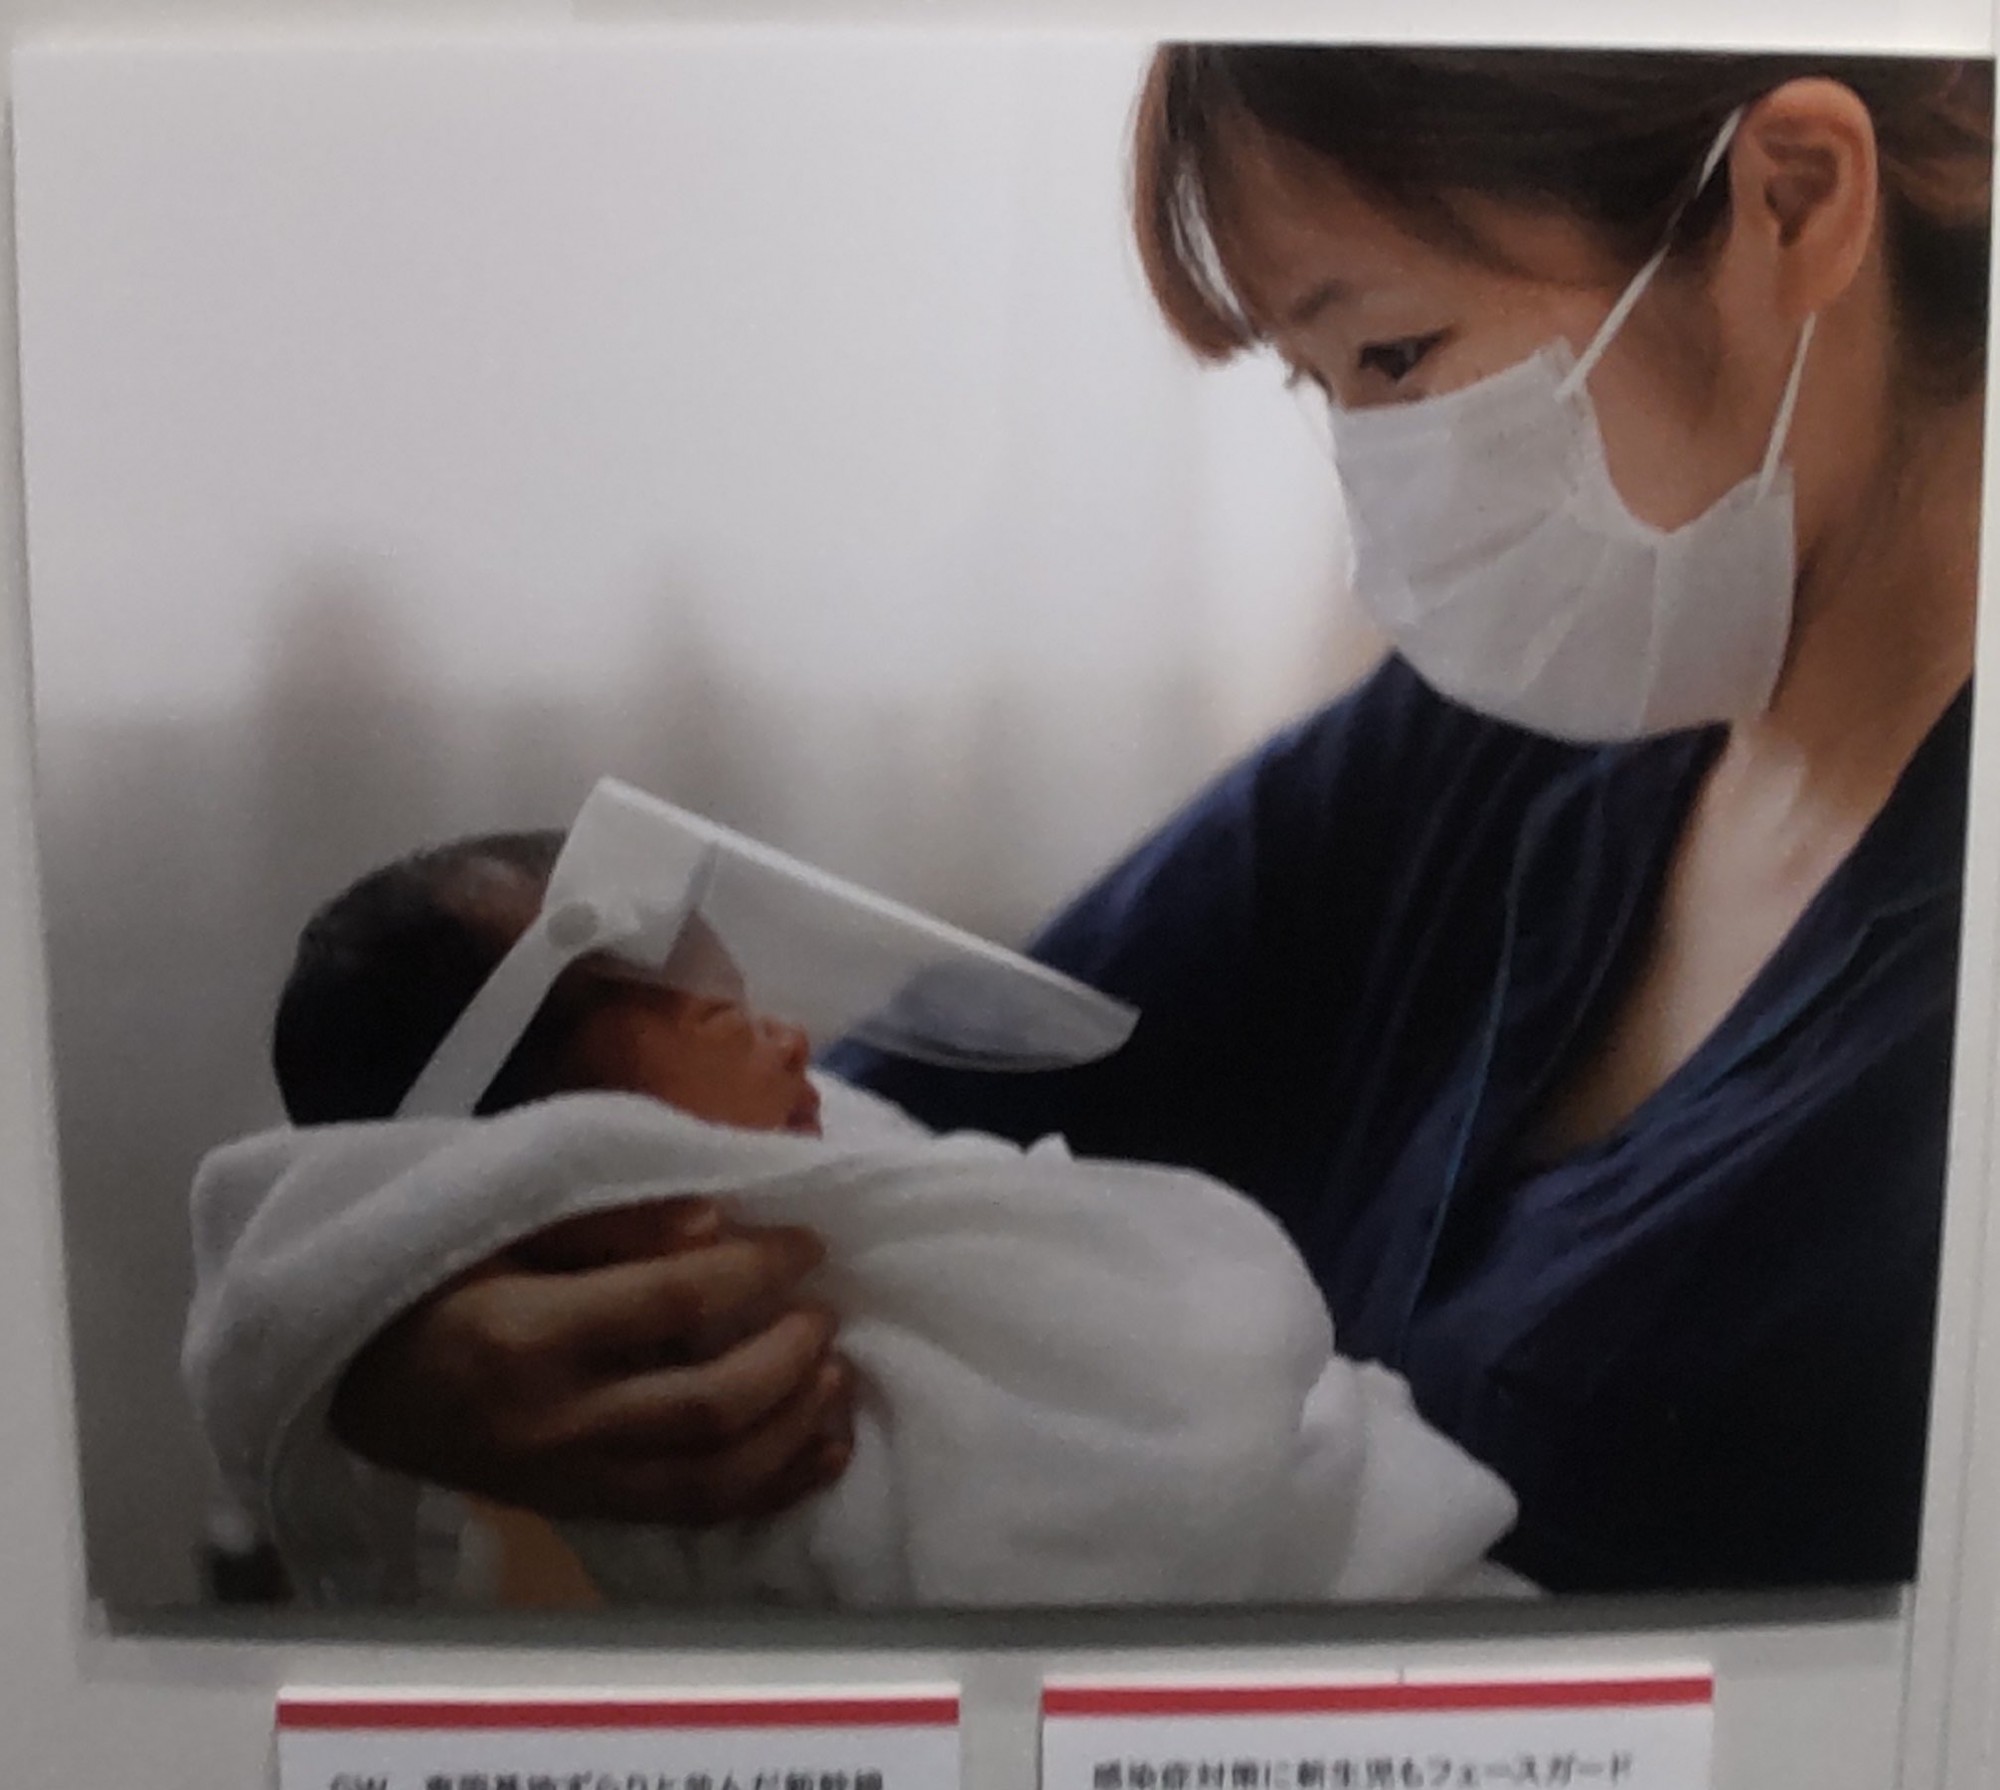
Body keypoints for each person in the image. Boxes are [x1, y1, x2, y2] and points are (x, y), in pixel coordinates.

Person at [271, 46, 1988, 1594]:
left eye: (1397, 352)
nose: (1377, 512)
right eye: (1318, 384)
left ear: (1794, 199)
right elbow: (840, 1149)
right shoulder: (1508, 743)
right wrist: (414, 1301)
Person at [183, 828, 1517, 1607]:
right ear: (538, 1145)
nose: (790, 1042)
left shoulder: (820, 1150)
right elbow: (1078, 1511)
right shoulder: (690, 1276)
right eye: (714, 1017)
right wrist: (372, 1316)